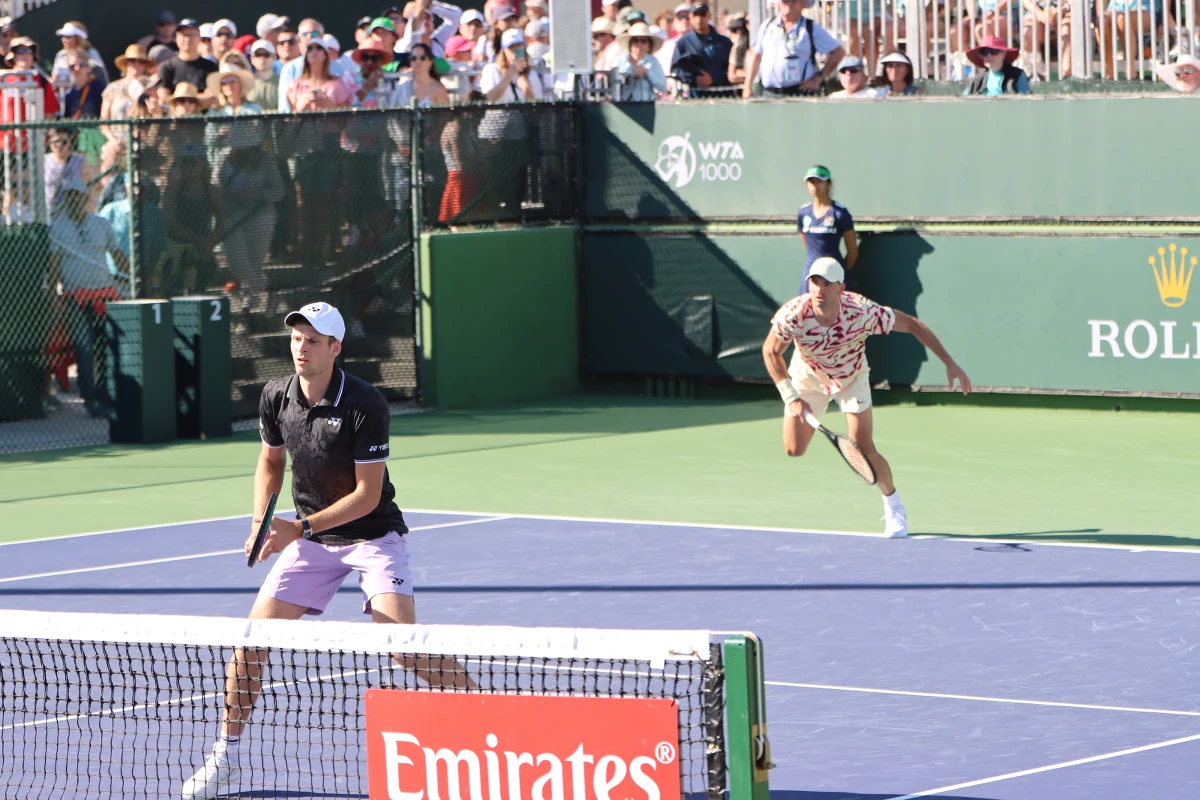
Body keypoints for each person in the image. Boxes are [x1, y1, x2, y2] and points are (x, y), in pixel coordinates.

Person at [180, 302, 473, 799]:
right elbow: (270, 462)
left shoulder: (365, 403)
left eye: (313, 340)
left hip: (372, 537)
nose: (301, 348)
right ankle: (225, 758)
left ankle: (485, 715)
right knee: (251, 642)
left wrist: (299, 526)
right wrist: (260, 521)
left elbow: (368, 495)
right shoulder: (276, 395)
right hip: (312, 541)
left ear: (335, 348)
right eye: (296, 338)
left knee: (402, 646)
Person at [762, 257, 971, 539]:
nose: (819, 289)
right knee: (794, 448)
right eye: (815, 282)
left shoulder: (862, 311)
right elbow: (770, 351)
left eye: (827, 284)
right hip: (808, 377)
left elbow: (911, 325)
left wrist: (949, 361)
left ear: (841, 288)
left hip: (851, 378)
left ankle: (893, 505)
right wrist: (791, 396)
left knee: (863, 445)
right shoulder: (793, 315)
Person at [49, 179, 129, 418]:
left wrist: (131, 280)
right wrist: (54, 295)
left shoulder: (101, 224)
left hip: (105, 294)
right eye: (69, 196)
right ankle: (90, 398)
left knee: (106, 347)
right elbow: (53, 266)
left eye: (77, 195)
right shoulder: (57, 228)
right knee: (84, 348)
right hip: (76, 297)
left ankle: (107, 396)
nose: (73, 200)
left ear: (85, 198)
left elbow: (118, 256)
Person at [742, 0, 845, 97]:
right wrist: (747, 85)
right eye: (785, 0)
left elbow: (838, 52)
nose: (789, 4)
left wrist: (818, 78)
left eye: (793, 0)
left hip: (799, 93)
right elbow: (755, 56)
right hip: (769, 92)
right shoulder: (768, 25)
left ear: (802, 4)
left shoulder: (810, 28)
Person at [797, 165, 856, 289]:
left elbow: (853, 253)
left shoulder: (841, 213)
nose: (814, 185)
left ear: (828, 184)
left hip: (834, 276)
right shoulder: (803, 212)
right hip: (810, 273)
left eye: (819, 181)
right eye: (811, 181)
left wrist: (837, 270)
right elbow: (807, 245)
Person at [279, 19, 345, 112]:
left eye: (314, 33)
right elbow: (284, 108)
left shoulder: (338, 67)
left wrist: (330, 105)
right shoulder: (289, 69)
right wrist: (302, 105)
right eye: (305, 34)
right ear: (299, 40)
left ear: (322, 37)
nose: (309, 37)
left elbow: (347, 110)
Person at [671, 3, 733, 93]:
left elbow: (732, 69)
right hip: (696, 97)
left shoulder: (725, 42)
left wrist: (713, 78)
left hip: (722, 95)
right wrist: (694, 79)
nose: (699, 18)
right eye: (695, 15)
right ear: (690, 18)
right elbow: (676, 69)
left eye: (702, 14)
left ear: (709, 16)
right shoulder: (684, 42)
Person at [157, 19, 218, 106]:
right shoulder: (166, 67)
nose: (187, 39)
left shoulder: (211, 67)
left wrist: (176, 98)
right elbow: (163, 100)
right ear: (176, 38)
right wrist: (200, 97)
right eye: (183, 35)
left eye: (192, 35)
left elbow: (213, 98)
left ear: (199, 38)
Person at [287, 36, 352, 111]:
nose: (314, 51)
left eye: (318, 48)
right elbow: (291, 116)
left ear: (326, 55)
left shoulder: (337, 84)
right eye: (310, 49)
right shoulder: (295, 85)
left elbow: (345, 116)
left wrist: (330, 105)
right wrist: (302, 104)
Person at [4, 37, 60, 117]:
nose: (25, 54)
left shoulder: (42, 81)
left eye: (29, 50)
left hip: (35, 129)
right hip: (6, 129)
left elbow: (50, 113)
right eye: (20, 51)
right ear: (13, 55)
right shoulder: (3, 80)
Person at [103, 45, 156, 125]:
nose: (136, 64)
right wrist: (113, 138)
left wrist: (154, 110)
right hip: (117, 135)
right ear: (126, 63)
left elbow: (159, 116)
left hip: (144, 136)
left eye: (141, 61)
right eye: (132, 60)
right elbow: (103, 121)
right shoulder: (112, 88)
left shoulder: (151, 88)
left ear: (145, 65)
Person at [615, 22, 667, 100]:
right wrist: (630, 74)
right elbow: (613, 84)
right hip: (624, 105)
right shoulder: (620, 61)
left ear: (649, 45)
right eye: (635, 40)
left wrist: (647, 72)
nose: (639, 44)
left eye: (643, 41)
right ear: (630, 44)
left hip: (647, 105)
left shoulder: (653, 61)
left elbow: (663, 87)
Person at [963, 36, 1030, 95]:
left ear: (1003, 54)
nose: (988, 56)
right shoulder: (978, 79)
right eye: (984, 53)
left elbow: (1026, 101)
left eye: (993, 51)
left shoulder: (1018, 75)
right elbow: (963, 99)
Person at [399, 0, 464, 59]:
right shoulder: (407, 42)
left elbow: (456, 14)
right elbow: (415, 27)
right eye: (422, 18)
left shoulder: (438, 41)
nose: (425, 21)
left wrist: (431, 5)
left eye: (427, 17)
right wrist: (420, 6)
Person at [52, 21, 107, 86]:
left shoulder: (91, 52)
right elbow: (54, 79)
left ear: (78, 38)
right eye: (63, 36)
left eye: (68, 37)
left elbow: (99, 76)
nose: (64, 39)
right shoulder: (61, 55)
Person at [402, 41, 450, 106]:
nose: (418, 61)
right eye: (413, 58)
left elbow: (444, 114)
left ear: (430, 62)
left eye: (422, 58)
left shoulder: (439, 89)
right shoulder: (403, 87)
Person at [63, 49, 103, 118]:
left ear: (88, 67)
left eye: (81, 65)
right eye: (72, 66)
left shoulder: (100, 88)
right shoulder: (69, 94)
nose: (77, 68)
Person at [247, 40, 280, 109]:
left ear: (274, 57)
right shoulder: (246, 82)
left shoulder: (282, 81)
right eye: (257, 55)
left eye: (266, 55)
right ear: (251, 59)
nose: (262, 58)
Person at [726, 13, 750, 83]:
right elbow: (732, 76)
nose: (738, 32)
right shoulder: (737, 47)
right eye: (735, 30)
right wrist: (750, 78)